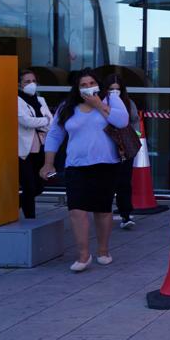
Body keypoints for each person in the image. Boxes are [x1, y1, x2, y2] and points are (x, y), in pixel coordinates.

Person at [40, 70, 128, 272]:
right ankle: (83, 255)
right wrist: (48, 163)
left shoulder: (111, 100)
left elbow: (121, 121)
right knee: (76, 210)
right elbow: (54, 135)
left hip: (106, 164)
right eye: (84, 84)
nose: (88, 87)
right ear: (77, 88)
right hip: (76, 165)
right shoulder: (67, 107)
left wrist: (99, 105)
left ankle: (103, 250)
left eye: (92, 82)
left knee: (102, 210)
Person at [103, 75, 139, 230]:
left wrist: (133, 137)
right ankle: (104, 213)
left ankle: (126, 214)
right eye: (111, 89)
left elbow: (135, 122)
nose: (114, 92)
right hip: (105, 147)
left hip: (124, 148)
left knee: (124, 181)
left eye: (117, 89)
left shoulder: (129, 103)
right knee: (107, 182)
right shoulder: (101, 103)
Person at [16, 70, 52, 220]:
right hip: (24, 150)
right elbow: (26, 121)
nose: (31, 84)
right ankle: (31, 218)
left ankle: (13, 205)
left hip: (41, 147)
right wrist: (44, 121)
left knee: (39, 186)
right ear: (19, 84)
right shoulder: (16, 100)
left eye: (33, 81)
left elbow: (52, 121)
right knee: (29, 186)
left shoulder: (41, 100)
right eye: (27, 81)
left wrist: (42, 122)